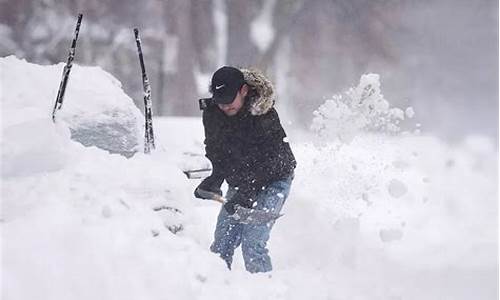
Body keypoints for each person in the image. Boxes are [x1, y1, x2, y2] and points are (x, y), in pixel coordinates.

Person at [194, 66, 296, 273]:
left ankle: (265, 292)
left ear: (244, 91)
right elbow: (216, 148)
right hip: (242, 181)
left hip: (274, 178)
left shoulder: (263, 114)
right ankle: (216, 290)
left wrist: (246, 195)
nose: (225, 106)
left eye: (229, 99)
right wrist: (215, 178)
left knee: (253, 243)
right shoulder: (213, 113)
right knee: (222, 243)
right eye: (220, 100)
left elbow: (268, 162)